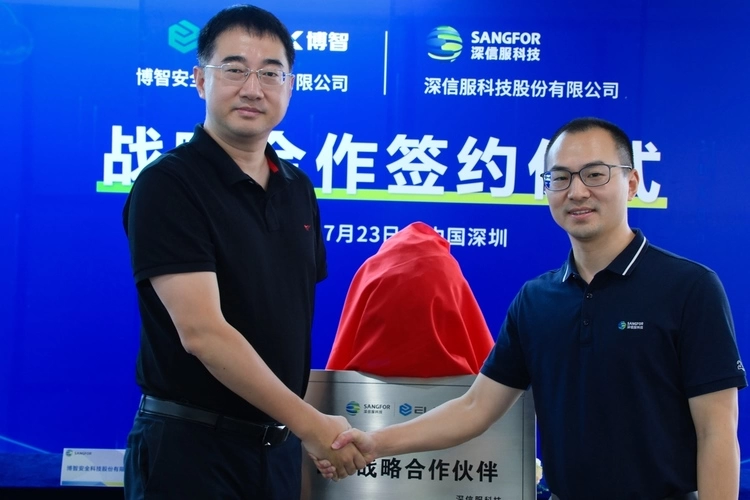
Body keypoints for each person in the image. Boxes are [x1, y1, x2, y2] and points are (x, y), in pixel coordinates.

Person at [315, 117, 746, 499]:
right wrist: (376, 443)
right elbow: (475, 408)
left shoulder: (689, 288)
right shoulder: (536, 300)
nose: (577, 191)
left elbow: (717, 431)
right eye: (560, 178)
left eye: (595, 174)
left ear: (631, 182)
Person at [122, 5, 363, 499]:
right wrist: (312, 424)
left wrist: (301, 428)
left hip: (276, 450)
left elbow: (283, 325)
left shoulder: (297, 188)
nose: (253, 88)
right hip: (191, 451)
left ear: (290, 86)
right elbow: (203, 334)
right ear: (200, 80)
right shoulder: (169, 185)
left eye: (271, 73)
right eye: (234, 69)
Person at [326, 221, 495, 377]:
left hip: (365, 389)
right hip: (454, 388)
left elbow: (346, 341)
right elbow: (477, 339)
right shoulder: (448, 271)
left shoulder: (371, 269)